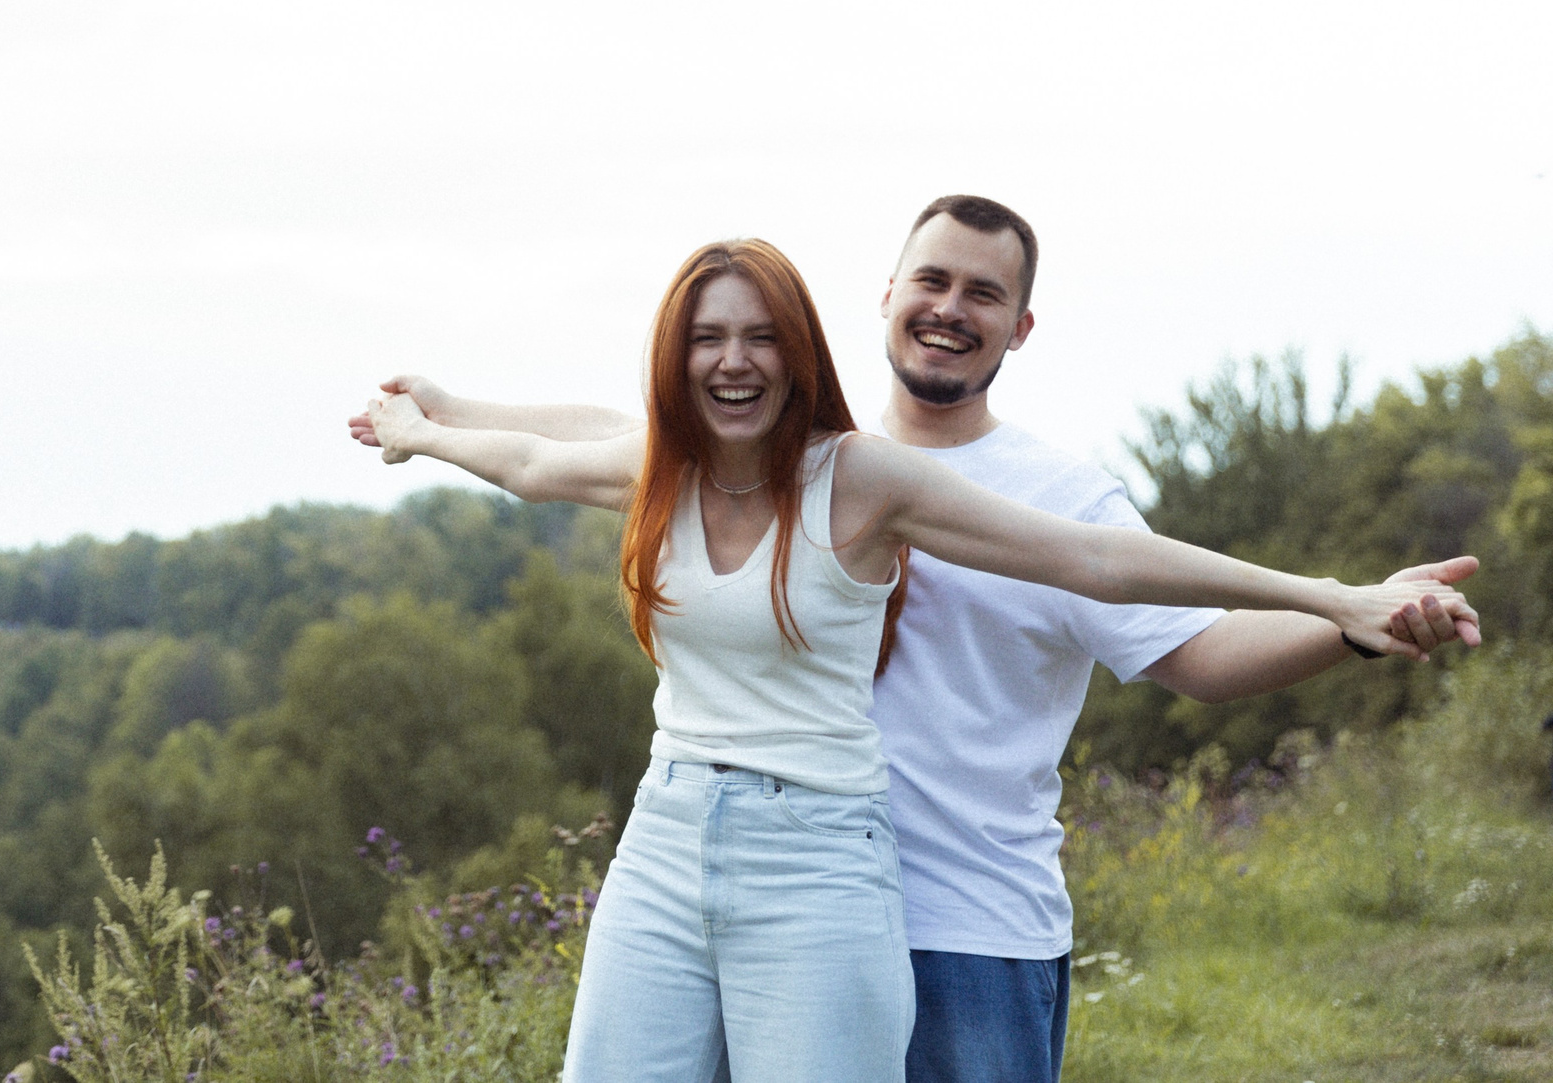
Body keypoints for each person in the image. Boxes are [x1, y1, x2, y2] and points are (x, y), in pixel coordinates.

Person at [353, 226, 1477, 1083]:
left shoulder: (883, 479)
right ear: (884, 298)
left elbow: (1105, 569)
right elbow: (554, 450)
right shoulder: (684, 467)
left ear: (1018, 325)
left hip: (900, 888)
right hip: (674, 833)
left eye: (982, 291)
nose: (733, 362)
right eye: (708, 339)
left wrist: (1337, 606)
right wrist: (437, 421)